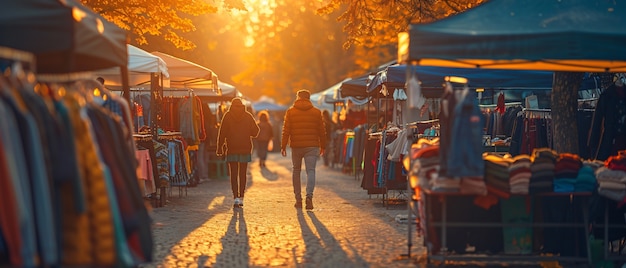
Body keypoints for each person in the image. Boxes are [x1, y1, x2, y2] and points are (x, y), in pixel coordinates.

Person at [281, 89, 327, 210]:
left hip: (296, 146)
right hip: (312, 146)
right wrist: (323, 146)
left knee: (296, 171)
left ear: (298, 97)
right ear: (309, 98)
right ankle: (309, 197)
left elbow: (286, 130)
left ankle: (298, 200)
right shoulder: (316, 112)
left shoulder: (290, 112)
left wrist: (283, 145)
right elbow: (322, 131)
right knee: (310, 171)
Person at [216, 98, 260, 208]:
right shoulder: (248, 115)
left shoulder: (227, 116)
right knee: (243, 173)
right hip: (245, 148)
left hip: (232, 148)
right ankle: (241, 197)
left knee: (233, 174)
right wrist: (248, 133)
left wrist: (219, 147)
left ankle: (235, 197)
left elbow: (222, 133)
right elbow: (256, 131)